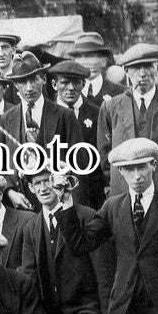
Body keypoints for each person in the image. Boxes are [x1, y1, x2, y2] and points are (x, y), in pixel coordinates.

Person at [57, 137, 158, 314]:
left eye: (142, 167)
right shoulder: (113, 206)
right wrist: (66, 201)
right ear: (120, 171)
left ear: (153, 165)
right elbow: (80, 243)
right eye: (129, 169)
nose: (137, 175)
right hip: (128, 305)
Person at [17, 169, 117, 314]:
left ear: (62, 184)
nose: (43, 188)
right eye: (37, 184)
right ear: (31, 189)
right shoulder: (31, 228)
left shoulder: (87, 216)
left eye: (48, 181)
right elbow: (29, 277)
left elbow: (103, 273)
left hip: (86, 309)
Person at [97, 43, 158, 197]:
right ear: (126, 71)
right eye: (136, 67)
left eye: (148, 66)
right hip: (123, 192)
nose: (142, 74)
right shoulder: (111, 107)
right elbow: (105, 154)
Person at [48, 60, 105, 208]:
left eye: (76, 83)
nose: (71, 88)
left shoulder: (97, 113)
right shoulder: (45, 113)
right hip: (55, 191)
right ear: (54, 85)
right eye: (65, 83)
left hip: (91, 192)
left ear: (84, 84)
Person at [68, 32, 123, 107]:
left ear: (103, 61)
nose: (83, 62)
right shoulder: (66, 93)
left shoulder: (120, 93)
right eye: (79, 56)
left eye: (89, 56)